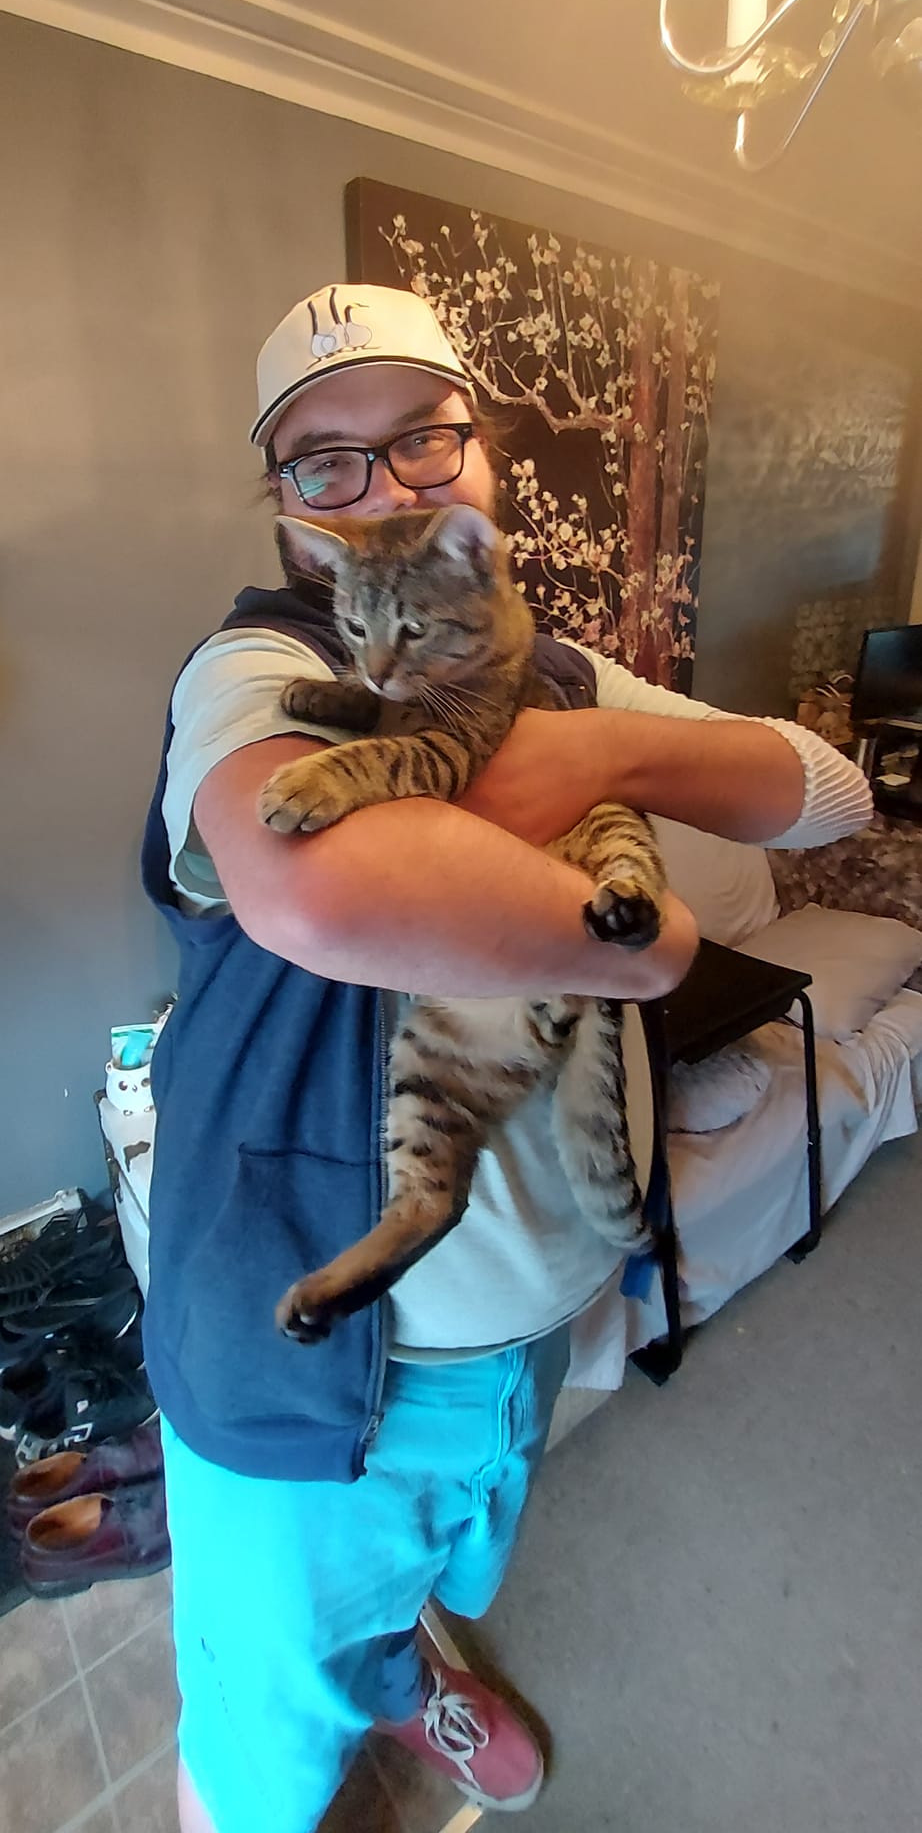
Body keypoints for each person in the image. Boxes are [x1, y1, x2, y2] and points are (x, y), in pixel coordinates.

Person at [141, 282, 872, 1833]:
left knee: (445, 1560)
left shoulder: (561, 670)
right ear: (285, 509)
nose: (381, 487)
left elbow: (831, 794)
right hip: (315, 1351)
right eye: (323, 463)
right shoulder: (252, 676)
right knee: (261, 1747)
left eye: (420, 439)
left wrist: (595, 741)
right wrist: (661, 951)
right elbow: (312, 882)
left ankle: (407, 1673)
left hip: (532, 1305)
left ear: (480, 464)